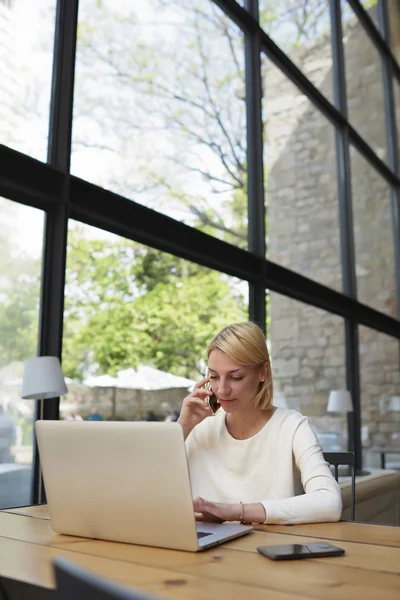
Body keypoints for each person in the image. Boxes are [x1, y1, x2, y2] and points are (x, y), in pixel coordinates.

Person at [178, 322, 342, 525]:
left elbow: (330, 502)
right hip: (206, 552)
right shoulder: (199, 428)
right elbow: (147, 490)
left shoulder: (292, 427)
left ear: (262, 373)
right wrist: (182, 429)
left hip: (271, 548)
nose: (221, 390)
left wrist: (235, 512)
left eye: (236, 377)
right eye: (213, 376)